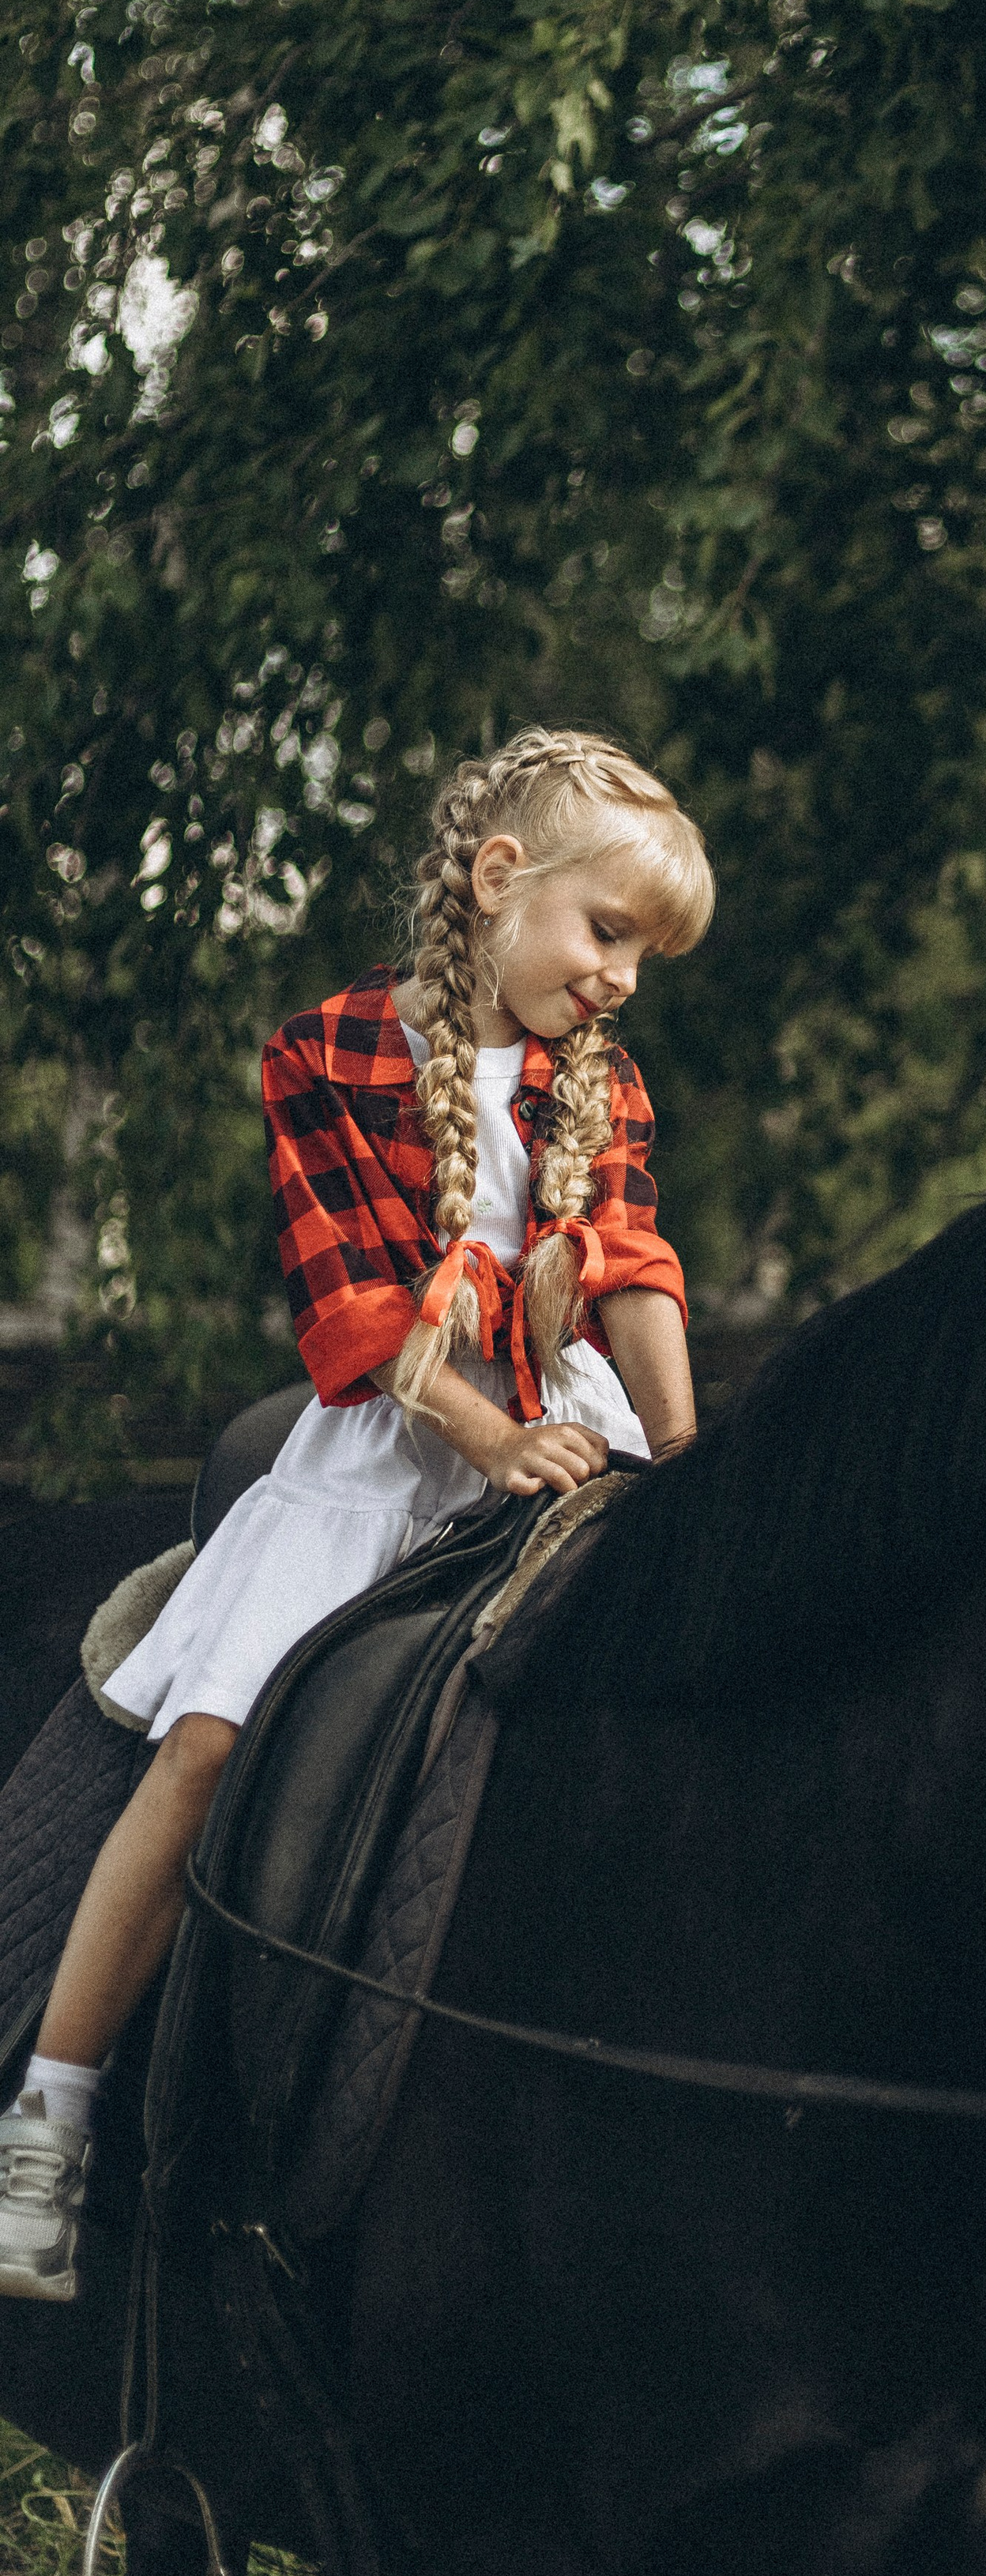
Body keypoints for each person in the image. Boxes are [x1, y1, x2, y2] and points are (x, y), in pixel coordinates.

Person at [0, 726, 713, 2300]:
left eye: (646, 958)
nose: (622, 984)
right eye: (608, 936)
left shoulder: (606, 1085)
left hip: (564, 1427)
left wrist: (678, 1451)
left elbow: (634, 1272)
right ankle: (49, 2114)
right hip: (393, 1445)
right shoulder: (323, 1050)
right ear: (499, 878)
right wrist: (491, 1431)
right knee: (204, 1743)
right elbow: (353, 1308)